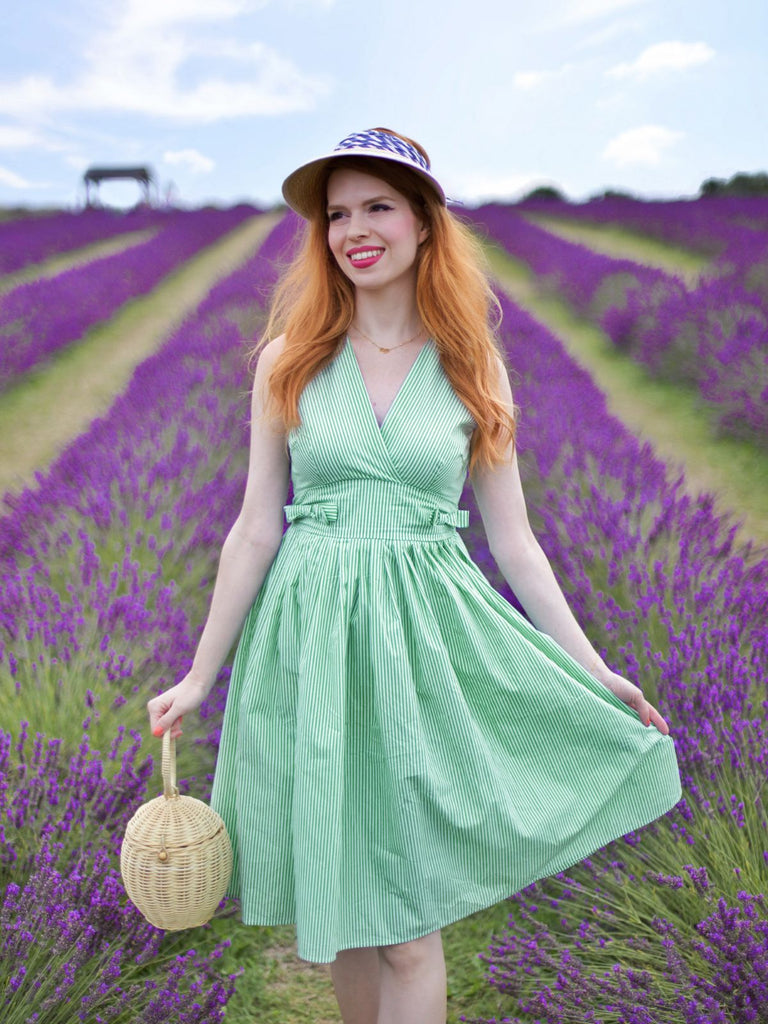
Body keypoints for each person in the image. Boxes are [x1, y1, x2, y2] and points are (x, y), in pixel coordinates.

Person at [147, 127, 681, 1024]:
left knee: (408, 920)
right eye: (337, 213)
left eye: (378, 207)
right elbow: (252, 527)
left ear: (426, 224)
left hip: (424, 645)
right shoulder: (290, 361)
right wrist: (201, 675)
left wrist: (593, 670)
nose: (355, 228)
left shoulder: (475, 367)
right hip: (312, 637)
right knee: (347, 912)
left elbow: (517, 543)